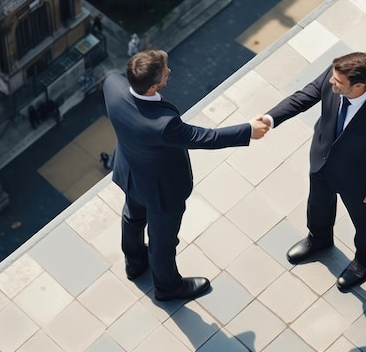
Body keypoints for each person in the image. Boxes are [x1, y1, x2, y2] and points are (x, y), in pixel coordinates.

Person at [104, 49, 269, 302]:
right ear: (152, 88)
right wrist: (248, 130)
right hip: (161, 190)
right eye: (165, 71)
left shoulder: (112, 87)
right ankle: (167, 288)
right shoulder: (163, 124)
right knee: (162, 242)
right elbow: (207, 138)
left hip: (130, 174)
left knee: (132, 217)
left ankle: (134, 263)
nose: (169, 71)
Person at [260, 52, 366, 290]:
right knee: (317, 204)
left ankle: (365, 259)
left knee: (363, 221)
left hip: (357, 179)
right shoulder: (333, 75)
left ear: (358, 85)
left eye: (338, 82)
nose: (331, 82)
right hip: (321, 160)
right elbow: (303, 97)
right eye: (333, 77)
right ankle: (319, 240)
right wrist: (270, 118)